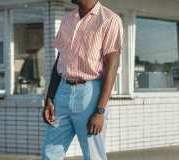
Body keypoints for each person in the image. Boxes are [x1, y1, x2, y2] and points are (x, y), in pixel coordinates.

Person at [41, 0, 123, 159]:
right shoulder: (67, 20)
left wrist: (100, 110)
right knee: (50, 153)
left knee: (93, 155)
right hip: (62, 92)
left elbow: (111, 66)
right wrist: (49, 98)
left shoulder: (110, 19)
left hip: (90, 94)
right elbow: (60, 60)